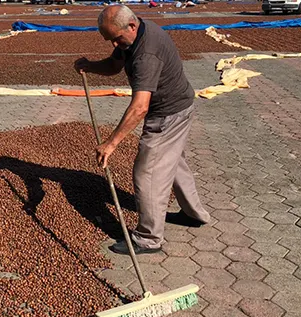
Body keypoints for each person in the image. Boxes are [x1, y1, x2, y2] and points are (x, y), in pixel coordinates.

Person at [74, 4, 211, 255]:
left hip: (168, 114)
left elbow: (140, 108)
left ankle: (148, 238)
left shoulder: (146, 54)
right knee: (173, 164)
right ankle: (195, 214)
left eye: (115, 39)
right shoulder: (132, 37)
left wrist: (111, 143)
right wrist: (90, 65)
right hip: (177, 105)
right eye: (109, 40)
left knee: (147, 172)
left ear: (132, 26)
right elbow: (114, 65)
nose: (114, 45)